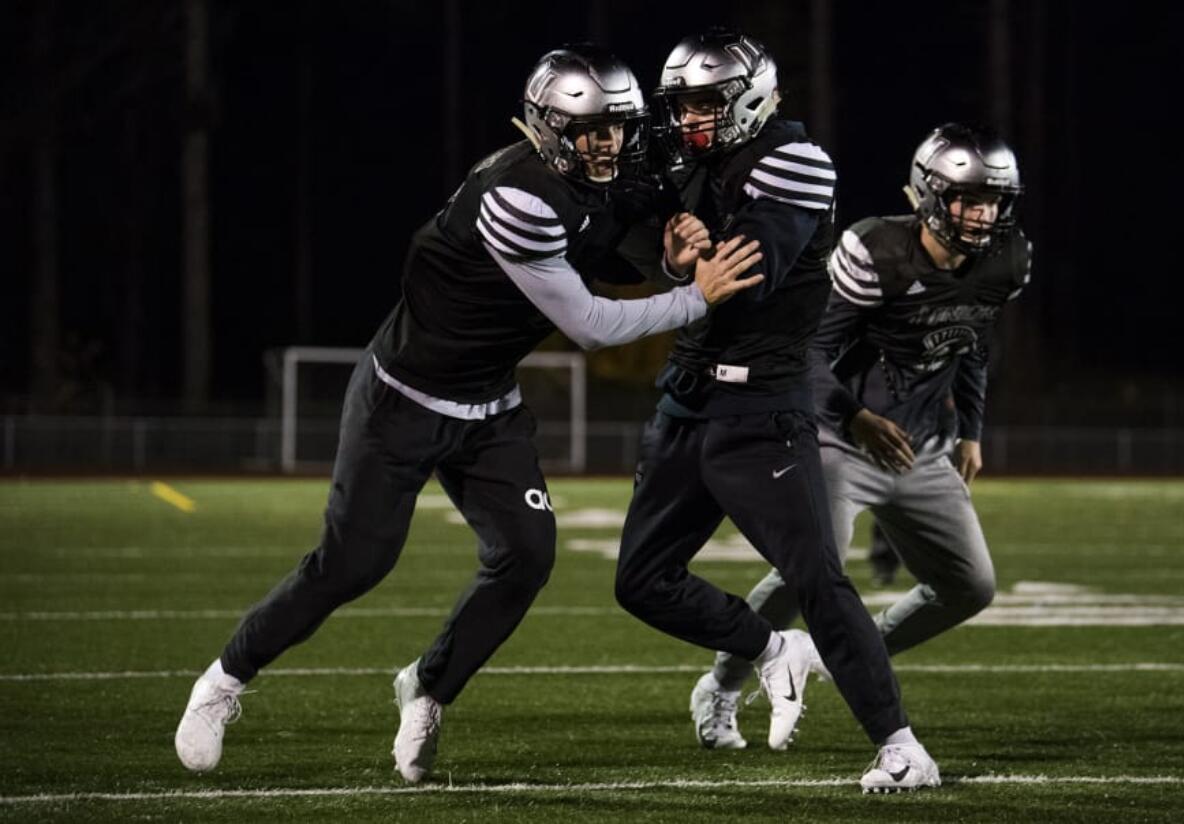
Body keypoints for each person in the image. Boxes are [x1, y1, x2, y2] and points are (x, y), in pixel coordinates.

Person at [174, 45, 763, 784]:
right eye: (588, 129)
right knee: (353, 564)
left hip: (488, 406)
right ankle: (224, 680)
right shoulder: (517, 195)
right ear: (548, 129)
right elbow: (588, 323)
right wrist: (696, 295)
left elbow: (623, 244)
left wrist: (673, 259)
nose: (607, 143)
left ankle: (427, 686)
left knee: (527, 554)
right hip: (404, 397)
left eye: (616, 126)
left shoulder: (609, 178)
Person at [613, 29, 940, 794]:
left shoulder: (794, 159)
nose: (690, 117)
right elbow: (629, 242)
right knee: (641, 581)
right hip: (688, 398)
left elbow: (746, 278)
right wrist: (666, 249)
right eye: (683, 103)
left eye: (705, 101)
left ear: (750, 98)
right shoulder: (691, 162)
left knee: (817, 577)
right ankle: (772, 649)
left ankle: (901, 747)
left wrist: (684, 252)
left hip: (760, 407)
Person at [691, 123, 1030, 781]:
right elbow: (806, 352)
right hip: (841, 439)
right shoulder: (880, 251)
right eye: (968, 198)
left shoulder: (1006, 260)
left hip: (923, 449)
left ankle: (836, 653)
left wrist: (972, 431)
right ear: (931, 195)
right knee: (806, 570)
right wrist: (858, 415)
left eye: (993, 200)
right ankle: (724, 683)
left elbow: (973, 343)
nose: (982, 214)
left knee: (970, 586)